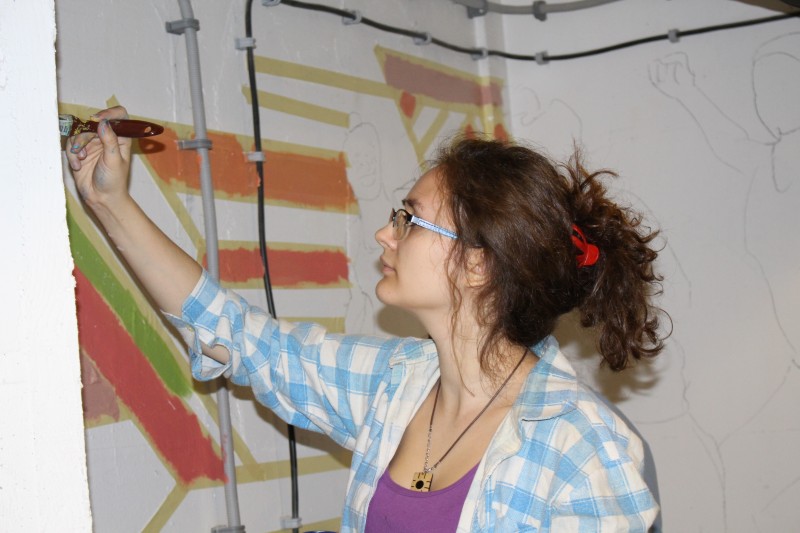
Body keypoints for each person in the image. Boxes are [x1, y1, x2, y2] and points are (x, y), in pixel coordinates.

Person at [67, 106, 666, 532]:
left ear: (477, 263)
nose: (385, 233)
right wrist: (109, 202)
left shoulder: (581, 445)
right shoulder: (394, 383)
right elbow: (239, 335)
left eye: (410, 219)